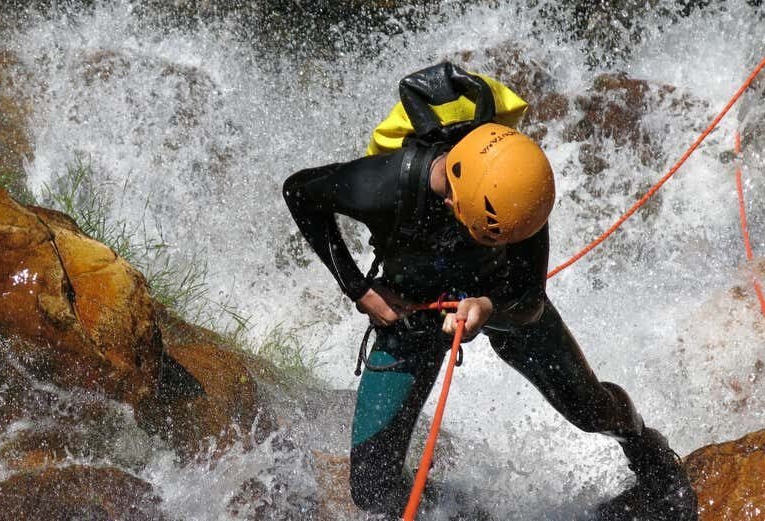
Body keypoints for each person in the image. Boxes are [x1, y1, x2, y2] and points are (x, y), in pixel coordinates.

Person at [283, 62, 697, 519]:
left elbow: (530, 301)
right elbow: (300, 191)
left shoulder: (520, 189)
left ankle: (646, 448)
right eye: (493, 235)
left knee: (592, 410)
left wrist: (488, 306)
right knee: (371, 486)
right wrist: (359, 288)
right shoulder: (383, 185)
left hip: (503, 299)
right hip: (414, 311)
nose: (510, 240)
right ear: (453, 200)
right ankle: (462, 511)